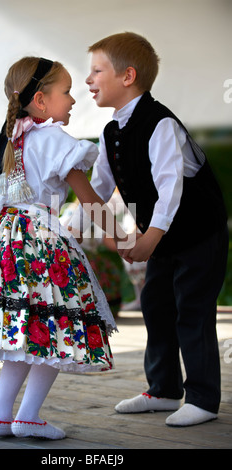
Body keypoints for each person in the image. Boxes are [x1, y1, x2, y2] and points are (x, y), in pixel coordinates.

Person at [0, 57, 133, 440]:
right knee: (57, 324)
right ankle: (26, 415)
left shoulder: (4, 143)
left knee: (25, 329)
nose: (73, 100)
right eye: (66, 92)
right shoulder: (54, 140)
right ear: (40, 101)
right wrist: (122, 239)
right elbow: (90, 201)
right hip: (38, 243)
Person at [83, 32, 228, 427]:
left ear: (127, 76)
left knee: (192, 310)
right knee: (157, 307)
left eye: (96, 70)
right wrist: (83, 222)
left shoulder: (160, 122)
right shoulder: (111, 130)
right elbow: (96, 189)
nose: (88, 79)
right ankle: (164, 390)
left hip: (199, 233)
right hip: (161, 236)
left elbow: (170, 187)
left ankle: (202, 397)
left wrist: (147, 238)